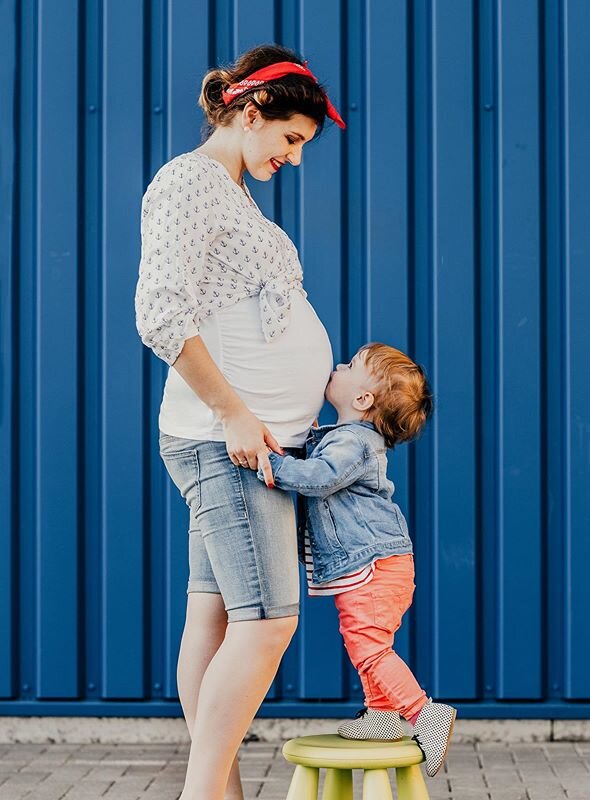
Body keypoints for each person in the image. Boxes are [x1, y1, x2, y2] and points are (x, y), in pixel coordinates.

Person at [134, 44, 345, 800]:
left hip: (248, 443)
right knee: (266, 623)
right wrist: (233, 413)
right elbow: (160, 313)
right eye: (289, 139)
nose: (293, 157)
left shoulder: (229, 191)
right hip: (229, 444)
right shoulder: (189, 183)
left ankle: (218, 793)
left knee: (217, 622)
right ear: (250, 112)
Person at [256, 343, 457, 777]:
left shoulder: (353, 442)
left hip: (375, 565)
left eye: (350, 366)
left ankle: (424, 713)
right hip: (379, 564)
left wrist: (270, 463)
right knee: (363, 641)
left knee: (368, 647)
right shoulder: (348, 438)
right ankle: (382, 716)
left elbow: (321, 477)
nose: (339, 366)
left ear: (363, 399)